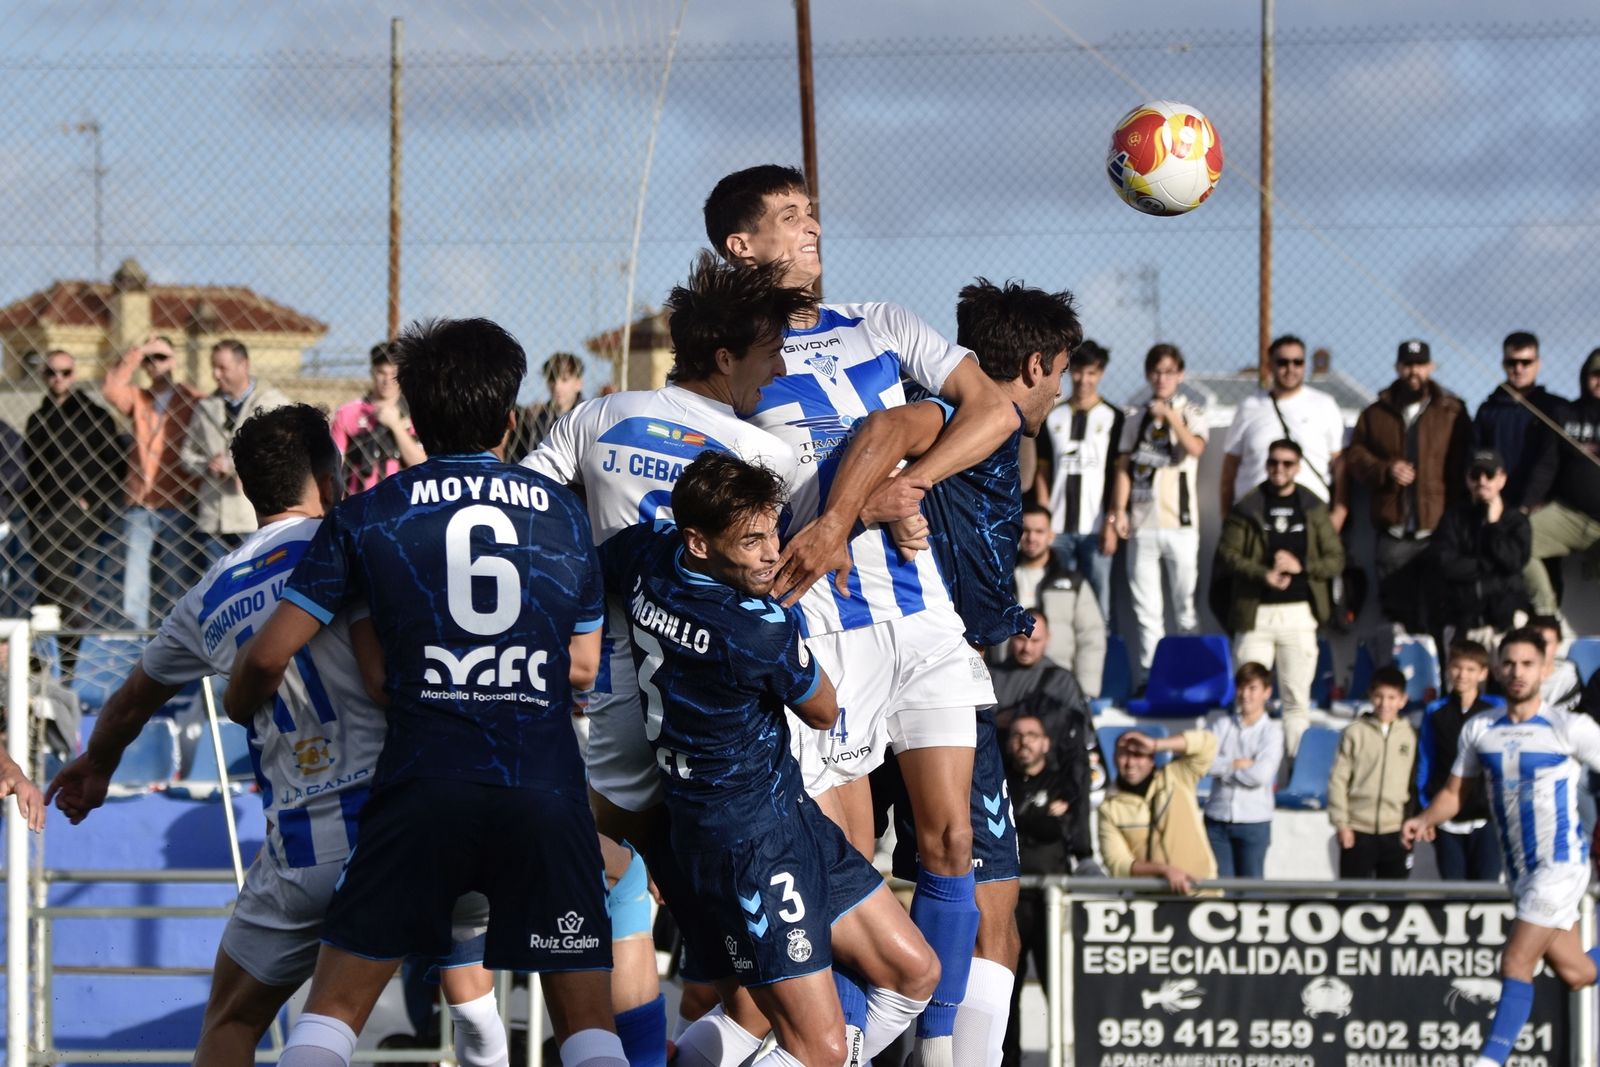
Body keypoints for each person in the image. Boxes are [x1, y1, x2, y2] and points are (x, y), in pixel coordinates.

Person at [46, 404, 507, 1066]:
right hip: (409, 823)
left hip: (302, 850)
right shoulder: (367, 542)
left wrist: (97, 762)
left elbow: (130, 699)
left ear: (246, 488)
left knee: (232, 1018)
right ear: (331, 474)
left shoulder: (208, 593)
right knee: (468, 967)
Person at [223, 318, 625, 1067]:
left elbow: (275, 653)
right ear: (511, 419)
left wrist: (238, 699)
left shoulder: (368, 514)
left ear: (412, 419)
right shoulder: (567, 516)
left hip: (421, 787)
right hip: (542, 788)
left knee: (331, 1015)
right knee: (588, 1030)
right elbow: (581, 666)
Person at [708, 164, 1017, 1067]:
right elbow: (728, 506)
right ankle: (819, 1049)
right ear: (742, 246)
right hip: (823, 633)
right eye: (791, 219)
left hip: (922, 619)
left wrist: (905, 483)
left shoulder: (878, 322)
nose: (812, 233)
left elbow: (988, 410)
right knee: (847, 872)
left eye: (813, 217)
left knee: (949, 838)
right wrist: (843, 512)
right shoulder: (734, 366)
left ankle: (941, 1052)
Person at [522, 252, 814, 1063]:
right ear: (725, 358)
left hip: (619, 702)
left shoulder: (599, 416)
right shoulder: (769, 459)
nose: (777, 370)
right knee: (768, 981)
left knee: (609, 887)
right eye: (767, 354)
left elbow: (525, 517)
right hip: (718, 725)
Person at [600, 452, 939, 1067]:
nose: (770, 553)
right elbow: (825, 710)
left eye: (772, 531)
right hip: (745, 841)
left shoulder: (651, 555)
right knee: (821, 1049)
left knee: (913, 973)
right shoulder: (753, 628)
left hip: (780, 814)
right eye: (751, 539)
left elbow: (603, 567)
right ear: (700, 543)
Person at [826, 276, 1080, 1067]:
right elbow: (909, 426)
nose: (1063, 389)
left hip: (884, 669)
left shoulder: (946, 414)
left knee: (864, 884)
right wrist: (893, 496)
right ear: (1036, 365)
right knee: (986, 904)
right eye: (1065, 369)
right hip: (927, 670)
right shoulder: (967, 418)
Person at [1403, 627, 1600, 1067]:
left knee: (1514, 963)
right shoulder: (1480, 730)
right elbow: (1454, 794)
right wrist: (1422, 819)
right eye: (1509, 663)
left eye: (1528, 664)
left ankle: (1488, 1063)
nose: (1517, 672)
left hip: (1560, 866)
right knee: (1576, 972)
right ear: (1496, 669)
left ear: (1546, 670)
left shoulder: (1571, 727)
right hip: (1521, 873)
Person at [1213, 438, 1344, 755]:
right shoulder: (1249, 506)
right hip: (1255, 614)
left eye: (1287, 463)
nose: (1279, 469)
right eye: (1273, 463)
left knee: (1295, 702)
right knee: (1248, 699)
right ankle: (1246, 770)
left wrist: (1302, 566)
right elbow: (1226, 554)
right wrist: (1263, 574)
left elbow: (1336, 558)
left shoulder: (1312, 507)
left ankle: (1292, 775)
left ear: (1297, 467)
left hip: (1299, 615)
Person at [1342, 339, 1472, 634]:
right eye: (1408, 365)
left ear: (1431, 367)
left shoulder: (1452, 412)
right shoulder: (1376, 413)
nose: (1414, 372)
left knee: (1443, 615)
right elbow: (1356, 456)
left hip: (1438, 531)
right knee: (1397, 617)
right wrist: (1386, 469)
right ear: (1398, 367)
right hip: (1394, 531)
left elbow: (1465, 464)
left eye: (1420, 365)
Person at [1107, 343, 1208, 678]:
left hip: (1180, 524)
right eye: (1156, 372)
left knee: (1185, 608)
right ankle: (1152, 677)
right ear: (1149, 375)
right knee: (1147, 609)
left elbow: (1195, 448)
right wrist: (1118, 511)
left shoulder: (1191, 409)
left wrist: (1171, 418)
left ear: (1179, 375)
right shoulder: (1135, 414)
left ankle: (1189, 675)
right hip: (1143, 522)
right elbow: (1124, 465)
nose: (1162, 378)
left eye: (1169, 372)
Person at [102, 334, 203, 628]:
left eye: (162, 357)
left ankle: (177, 636)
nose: (155, 364)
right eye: (151, 359)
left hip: (176, 500)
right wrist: (138, 352)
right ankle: (135, 640)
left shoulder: (192, 399)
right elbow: (111, 388)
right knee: (134, 580)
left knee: (176, 577)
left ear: (174, 360)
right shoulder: (139, 398)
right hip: (139, 501)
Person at [1000, 713, 1083, 1067]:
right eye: (1017, 735)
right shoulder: (1001, 780)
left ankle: (1072, 1059)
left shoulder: (1064, 782)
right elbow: (1037, 823)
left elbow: (1057, 829)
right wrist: (1038, 815)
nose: (1024, 741)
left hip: (1052, 906)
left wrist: (1020, 817)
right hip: (1011, 904)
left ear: (1046, 743)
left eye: (1032, 734)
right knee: (1007, 992)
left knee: (1061, 988)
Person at [23, 350, 123, 628]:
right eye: (52, 373)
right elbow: (30, 468)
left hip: (82, 510)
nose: (58, 378)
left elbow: (115, 465)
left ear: (74, 375)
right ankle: (65, 617)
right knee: (51, 567)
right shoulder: (37, 419)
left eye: (65, 372)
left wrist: (91, 499)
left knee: (50, 550)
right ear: (44, 376)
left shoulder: (95, 416)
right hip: (45, 509)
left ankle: (62, 615)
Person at [1220, 334, 1347, 530]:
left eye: (1298, 362)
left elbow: (1340, 466)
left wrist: (1338, 515)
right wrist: (1227, 519)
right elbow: (1229, 468)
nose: (1291, 369)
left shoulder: (1325, 405)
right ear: (1269, 365)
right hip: (1254, 519)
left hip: (1309, 520)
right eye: (1283, 362)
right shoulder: (1249, 407)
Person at [1033, 340, 1122, 620]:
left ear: (1102, 374)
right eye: (1080, 372)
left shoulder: (1114, 417)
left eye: (1092, 373)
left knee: (1100, 605)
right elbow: (1043, 472)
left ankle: (1102, 662)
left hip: (1096, 529)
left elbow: (1119, 473)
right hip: (1058, 531)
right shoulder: (1053, 416)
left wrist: (1112, 521)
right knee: (1057, 603)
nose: (1085, 379)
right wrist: (1045, 519)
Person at [181, 340, 290, 563]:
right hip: (214, 517)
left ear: (244, 366)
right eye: (213, 367)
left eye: (223, 368)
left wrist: (234, 466)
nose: (215, 374)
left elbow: (283, 453)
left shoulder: (272, 403)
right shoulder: (205, 407)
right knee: (216, 587)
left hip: (252, 517)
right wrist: (206, 466)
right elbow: (186, 456)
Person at [992, 611, 1104, 822]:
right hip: (1002, 782)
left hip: (1050, 787)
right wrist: (995, 722)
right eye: (1020, 639)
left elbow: (1079, 743)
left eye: (1035, 641)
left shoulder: (1062, 681)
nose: (1027, 648)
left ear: (1047, 639)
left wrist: (1069, 793)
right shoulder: (990, 676)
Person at [1519, 348, 1600, 616]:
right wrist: (1526, 505)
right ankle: (1546, 614)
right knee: (1515, 538)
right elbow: (1546, 465)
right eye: (1595, 375)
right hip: (1568, 514)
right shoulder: (1565, 413)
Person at [1415, 640, 1503, 882]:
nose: (1462, 675)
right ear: (1448, 669)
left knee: (1486, 891)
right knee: (1453, 894)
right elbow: (1426, 762)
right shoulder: (1435, 711)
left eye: (1471, 669)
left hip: (1487, 819)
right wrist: (1428, 813)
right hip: (1446, 822)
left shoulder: (1496, 709)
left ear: (1483, 673)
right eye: (1457, 667)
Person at [1430, 447, 1530, 649]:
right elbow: (1445, 565)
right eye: (1476, 475)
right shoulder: (1453, 518)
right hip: (1462, 623)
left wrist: (1494, 526)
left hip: (1504, 624)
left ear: (1501, 479)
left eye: (1489, 474)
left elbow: (1514, 562)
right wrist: (1487, 564)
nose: (1482, 481)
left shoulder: (1515, 521)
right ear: (1467, 479)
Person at [1097, 728, 1219, 893]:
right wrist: (1165, 870)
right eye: (1123, 754)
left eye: (1138, 755)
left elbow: (1208, 743)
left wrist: (1156, 744)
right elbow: (1118, 864)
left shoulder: (1176, 777)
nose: (1130, 763)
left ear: (1152, 759)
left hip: (1202, 891)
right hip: (1150, 904)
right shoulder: (1109, 807)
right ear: (1114, 758)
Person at [1328, 666, 1417, 880]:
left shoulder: (1411, 736)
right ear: (1370, 696)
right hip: (1358, 830)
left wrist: (1411, 822)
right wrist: (1342, 824)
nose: (1385, 703)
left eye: (1391, 697)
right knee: (1351, 899)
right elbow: (1338, 780)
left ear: (1402, 700)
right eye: (1379, 696)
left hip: (1395, 831)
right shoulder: (1354, 733)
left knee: (1394, 902)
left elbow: (1414, 784)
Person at [1011, 502, 1106, 696]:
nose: (1031, 538)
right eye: (1026, 531)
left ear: (1051, 536)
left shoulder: (1073, 583)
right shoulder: (1000, 580)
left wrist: (1084, 691)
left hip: (1058, 686)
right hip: (1008, 683)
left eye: (1039, 531)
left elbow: (1091, 637)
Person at [1202, 662, 1284, 879]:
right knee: (1220, 892)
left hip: (1254, 821)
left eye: (1252, 688)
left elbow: (1260, 775)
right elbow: (1203, 763)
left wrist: (1224, 768)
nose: (1245, 695)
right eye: (1241, 688)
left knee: (1251, 894)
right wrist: (1238, 764)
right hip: (1217, 818)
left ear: (1267, 692)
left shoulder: (1272, 732)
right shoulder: (1221, 725)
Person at [1473, 331, 1567, 510]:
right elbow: (1475, 455)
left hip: (1544, 505)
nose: (1518, 369)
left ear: (1538, 364)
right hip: (1496, 503)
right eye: (1512, 362)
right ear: (1503, 363)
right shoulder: (1488, 410)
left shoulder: (1556, 408)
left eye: (1526, 362)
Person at [329, 342, 425, 496]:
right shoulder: (348, 412)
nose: (387, 380)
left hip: (401, 499)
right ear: (372, 372)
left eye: (393, 373)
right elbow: (333, 465)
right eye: (381, 372)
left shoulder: (415, 414)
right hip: (358, 500)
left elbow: (422, 465)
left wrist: (396, 426)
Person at [508, 351, 585, 461]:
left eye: (564, 379)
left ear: (578, 383)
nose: (557, 386)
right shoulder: (537, 419)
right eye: (552, 379)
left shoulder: (589, 416)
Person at [1530, 614, 1582, 713]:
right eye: (1534, 642)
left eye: (1546, 643)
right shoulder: (1509, 677)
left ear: (1558, 644)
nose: (1540, 648)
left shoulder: (1571, 680)